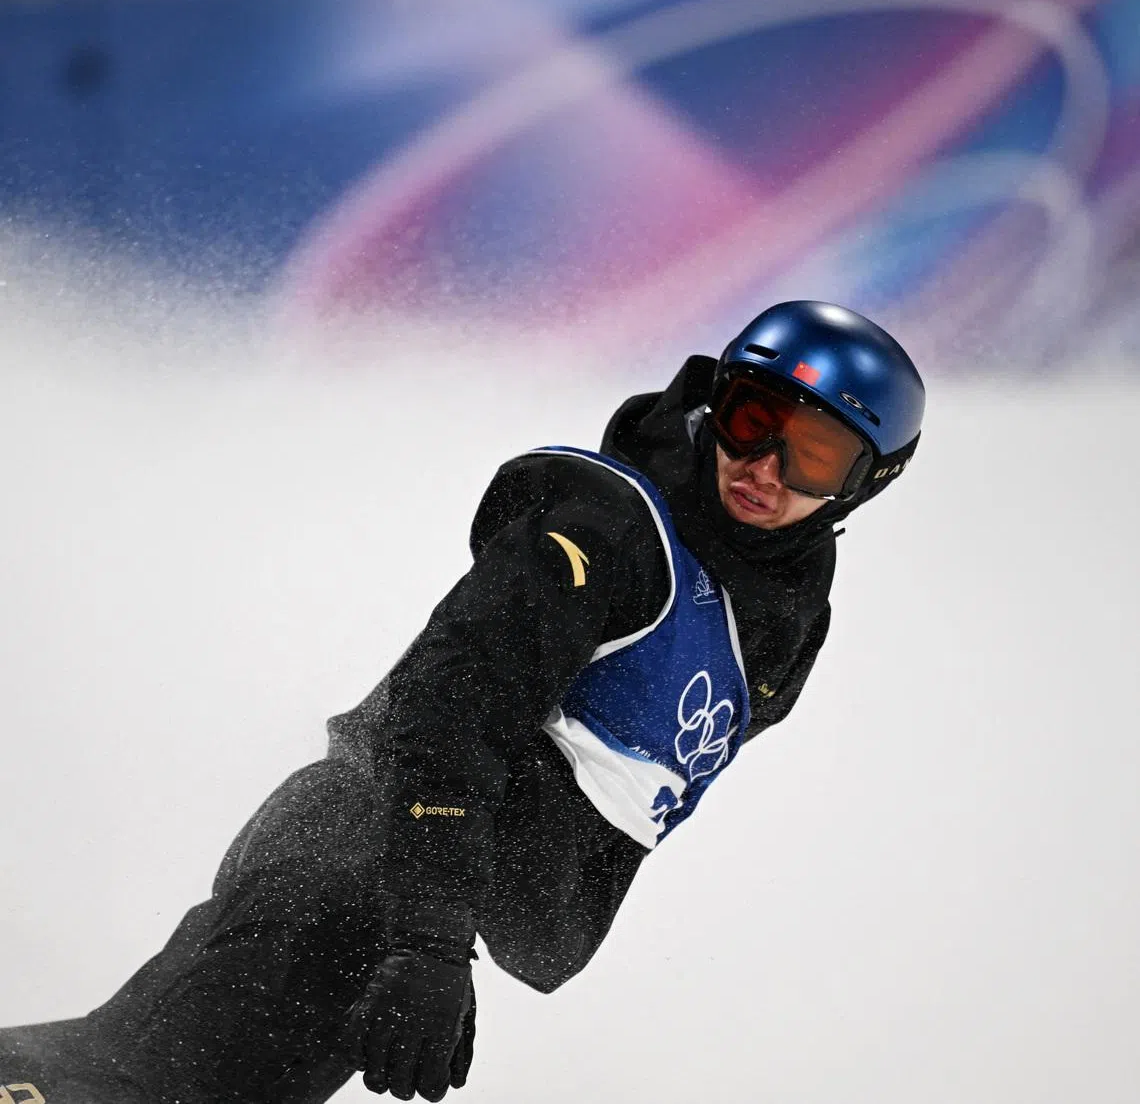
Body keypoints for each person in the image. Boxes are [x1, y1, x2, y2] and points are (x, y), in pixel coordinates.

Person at [0, 300, 925, 1104]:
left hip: (400, 908)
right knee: (125, 1081)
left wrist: (437, 933)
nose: (761, 465)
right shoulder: (606, 533)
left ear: (868, 481)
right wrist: (431, 942)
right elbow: (450, 716)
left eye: (812, 452)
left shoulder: (783, 616)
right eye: (752, 415)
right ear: (715, 398)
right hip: (354, 867)